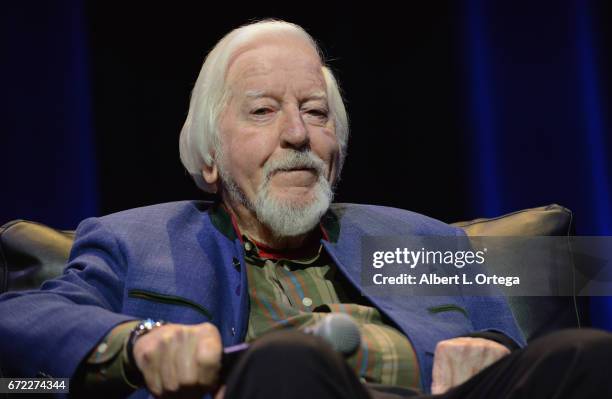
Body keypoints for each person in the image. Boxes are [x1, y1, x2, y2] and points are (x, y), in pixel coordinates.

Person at [0, 19, 610, 399]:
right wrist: (139, 343)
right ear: (210, 157)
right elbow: (20, 322)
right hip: (275, 382)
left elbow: (508, 347)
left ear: (336, 150)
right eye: (263, 110)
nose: (297, 133)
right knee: (291, 359)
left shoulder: (424, 240)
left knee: (583, 353)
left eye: (315, 112)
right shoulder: (134, 241)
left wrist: (492, 348)